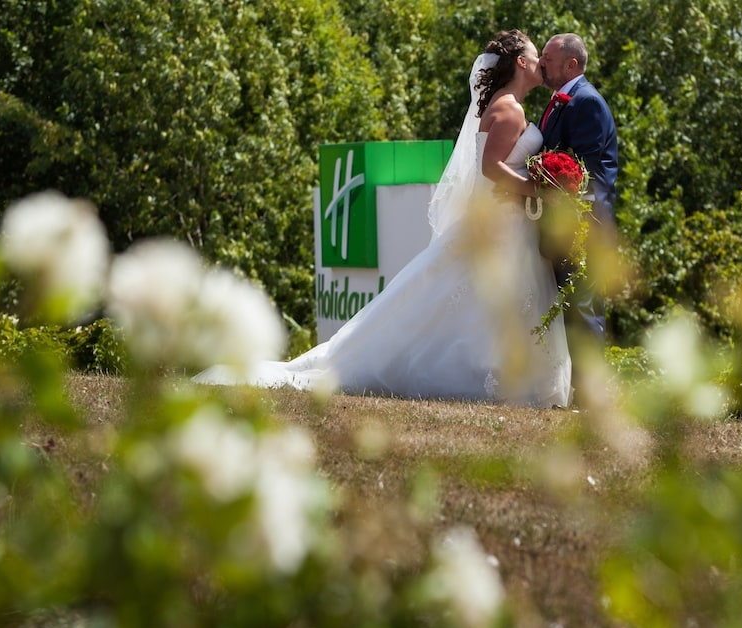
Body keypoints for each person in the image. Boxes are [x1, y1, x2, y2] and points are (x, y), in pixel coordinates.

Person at [195, 30, 571, 408]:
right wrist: (539, 190)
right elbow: (491, 169)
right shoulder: (510, 109)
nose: (541, 63)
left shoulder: (505, 105)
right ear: (521, 63)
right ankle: (480, 375)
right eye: (536, 56)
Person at [538, 33, 619, 397]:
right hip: (562, 221)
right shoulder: (559, 102)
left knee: (583, 306)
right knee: (568, 305)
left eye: (548, 58)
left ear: (572, 64)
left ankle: (588, 398)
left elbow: (586, 173)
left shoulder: (587, 102)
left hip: (585, 222)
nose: (542, 63)